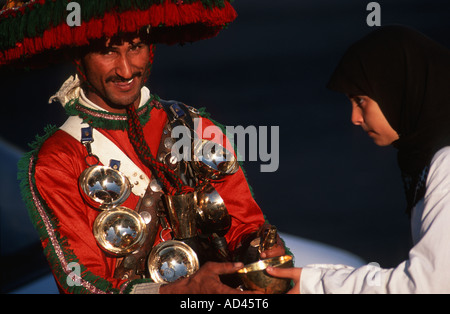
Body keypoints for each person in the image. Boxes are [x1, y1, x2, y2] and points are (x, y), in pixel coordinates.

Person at [1, 1, 286, 294]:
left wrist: (260, 248)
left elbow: (244, 224)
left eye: (135, 47)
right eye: (107, 51)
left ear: (151, 50)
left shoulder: (196, 127)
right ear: (79, 58)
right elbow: (81, 284)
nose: (126, 70)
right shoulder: (58, 160)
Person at [267, 25, 450, 293]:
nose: (354, 117)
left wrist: (316, 285)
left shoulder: (446, 162)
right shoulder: (426, 159)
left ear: (397, 89)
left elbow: (426, 286)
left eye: (361, 100)